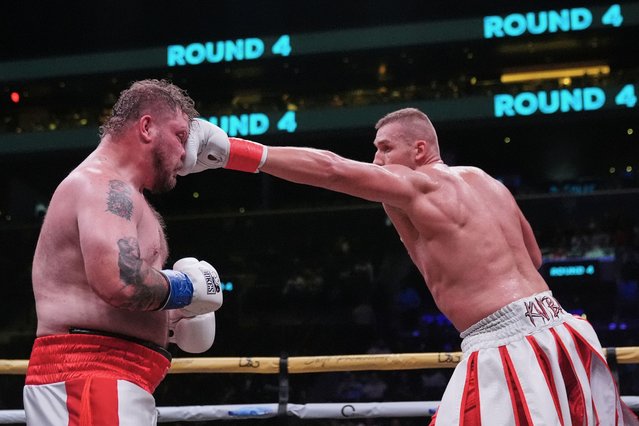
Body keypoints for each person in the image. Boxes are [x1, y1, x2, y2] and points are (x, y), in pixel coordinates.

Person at [180, 109, 638, 425]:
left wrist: (231, 150)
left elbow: (334, 170)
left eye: (384, 150)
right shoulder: (484, 180)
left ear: (419, 149)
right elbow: (534, 257)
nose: (377, 162)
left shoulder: (419, 186)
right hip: (562, 329)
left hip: (509, 344)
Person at [24, 79, 224, 425]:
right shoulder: (102, 185)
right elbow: (121, 282)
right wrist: (187, 288)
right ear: (146, 127)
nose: (186, 153)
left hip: (112, 378)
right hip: (91, 376)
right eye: (179, 136)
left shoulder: (124, 195)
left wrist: (173, 319)